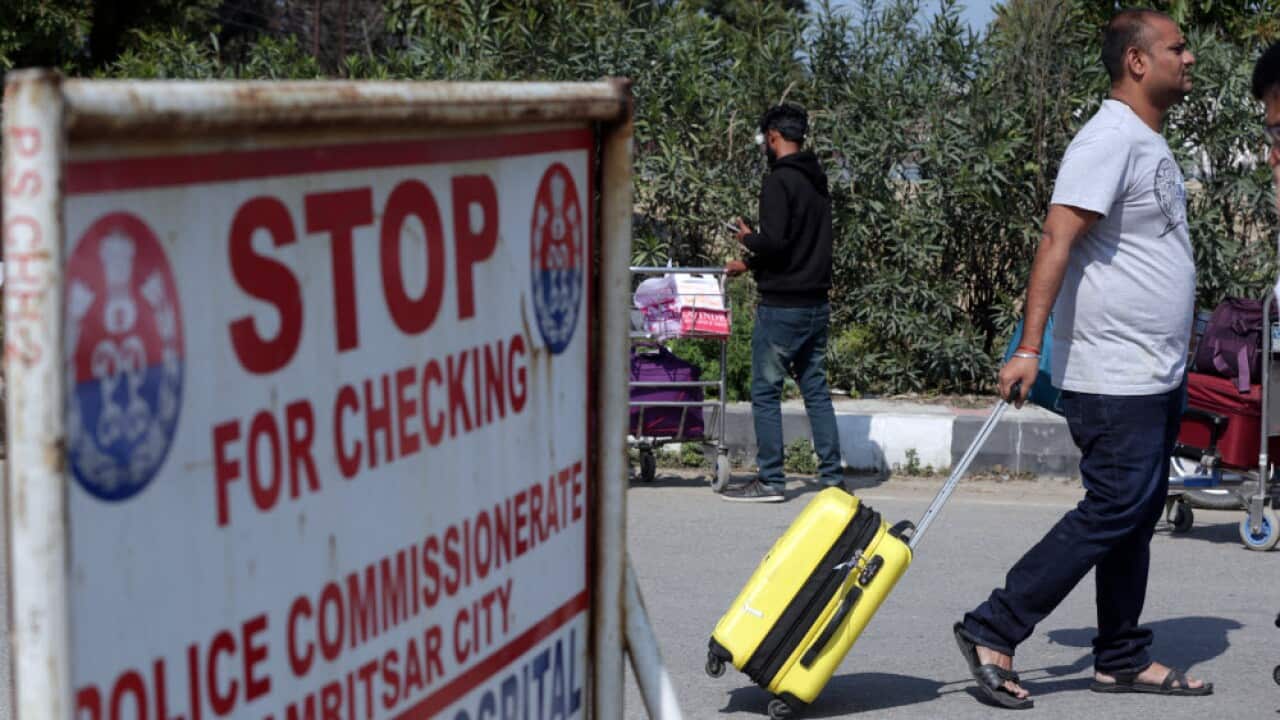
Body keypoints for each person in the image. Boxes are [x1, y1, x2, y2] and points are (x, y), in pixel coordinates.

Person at [953, 9, 1211, 708]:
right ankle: (993, 627)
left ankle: (1121, 655)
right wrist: (1031, 347)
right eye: (1176, 49)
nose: (1188, 59)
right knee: (1116, 505)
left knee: (1137, 507)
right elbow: (1055, 241)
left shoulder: (1144, 140)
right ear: (1137, 61)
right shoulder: (1106, 139)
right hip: (1112, 372)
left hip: (1153, 372)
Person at [722, 103, 842, 502]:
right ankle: (832, 480)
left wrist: (747, 239)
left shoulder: (779, 182)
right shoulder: (817, 180)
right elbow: (795, 246)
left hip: (782, 307)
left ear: (773, 136)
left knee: (766, 392)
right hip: (815, 304)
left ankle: (771, 479)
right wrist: (751, 263)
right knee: (816, 391)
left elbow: (774, 243)